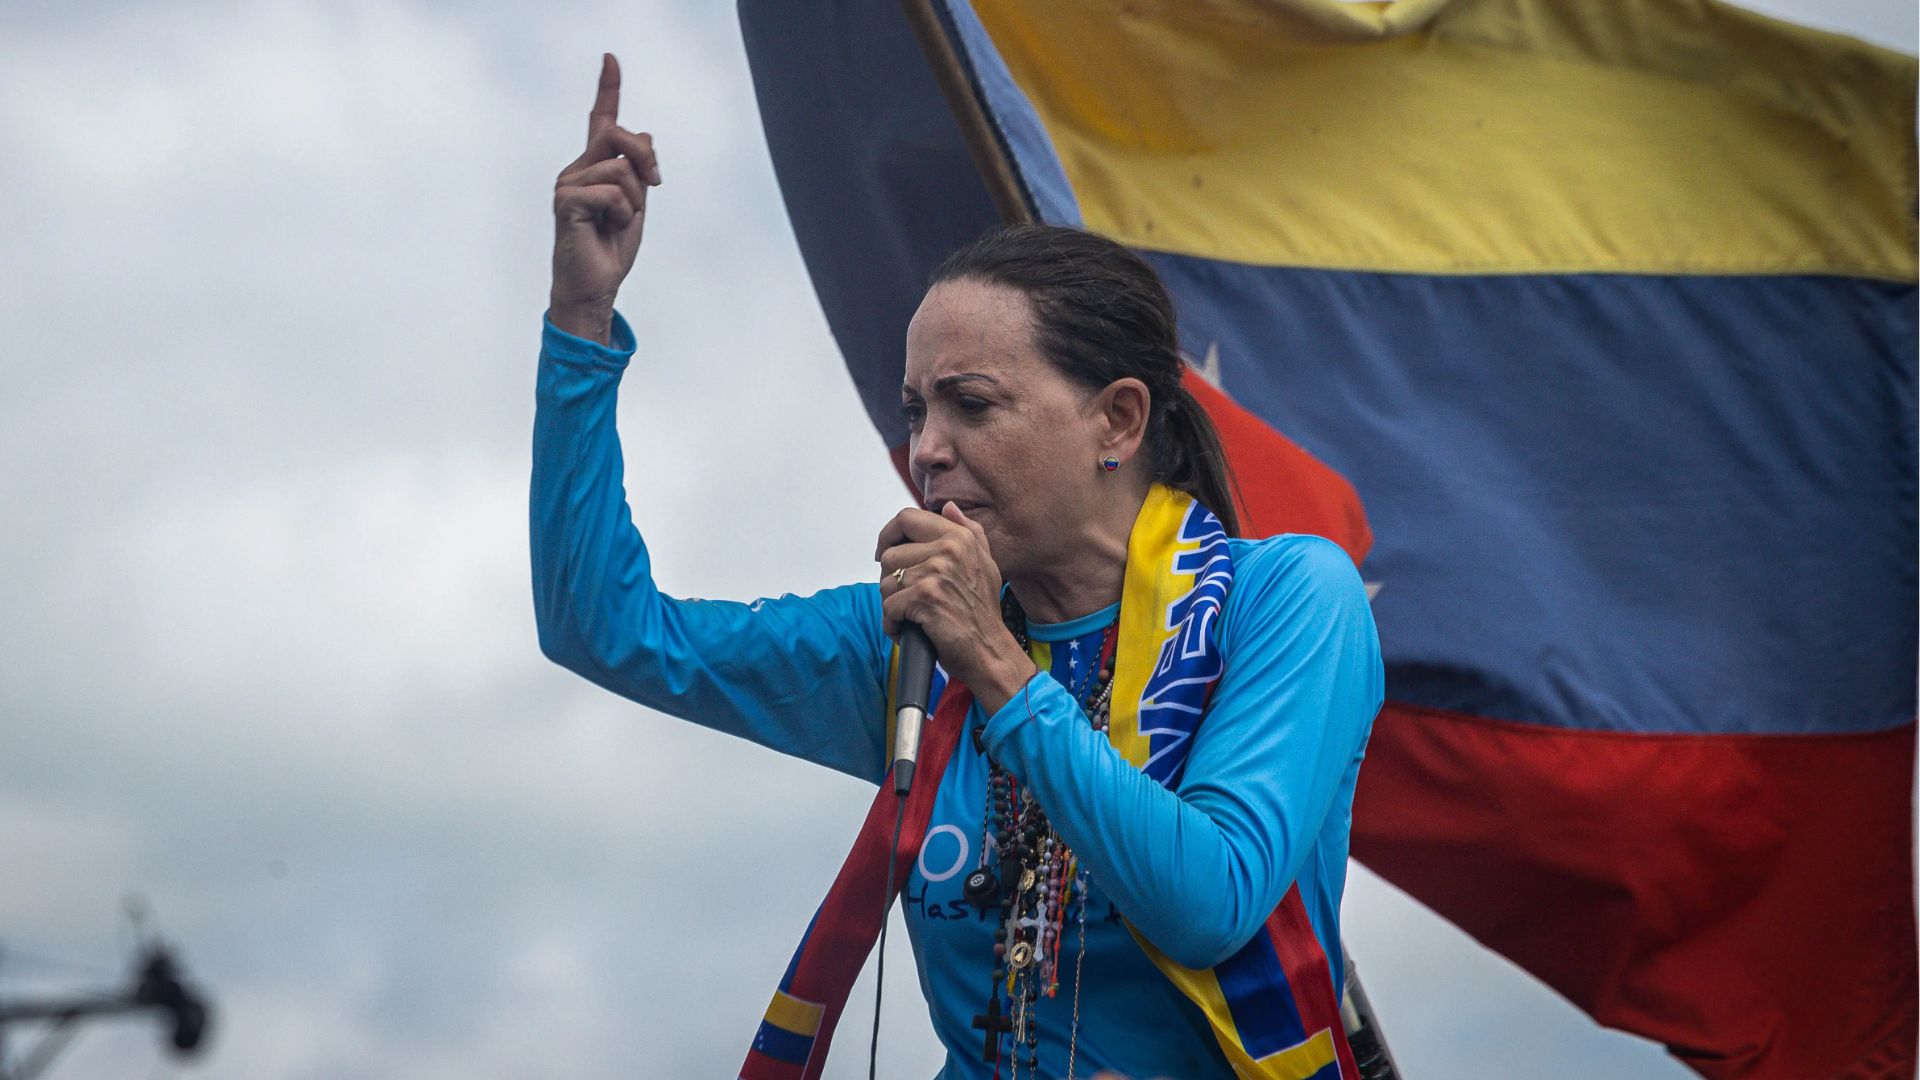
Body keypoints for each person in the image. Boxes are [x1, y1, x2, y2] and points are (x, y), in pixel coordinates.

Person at [531, 54, 1383, 1080]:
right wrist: (580, 320)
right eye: (915, 411)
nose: (926, 447)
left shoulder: (1287, 600)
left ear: (1116, 419)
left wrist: (995, 663)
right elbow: (603, 628)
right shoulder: (909, 638)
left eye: (970, 405)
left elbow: (1209, 904)